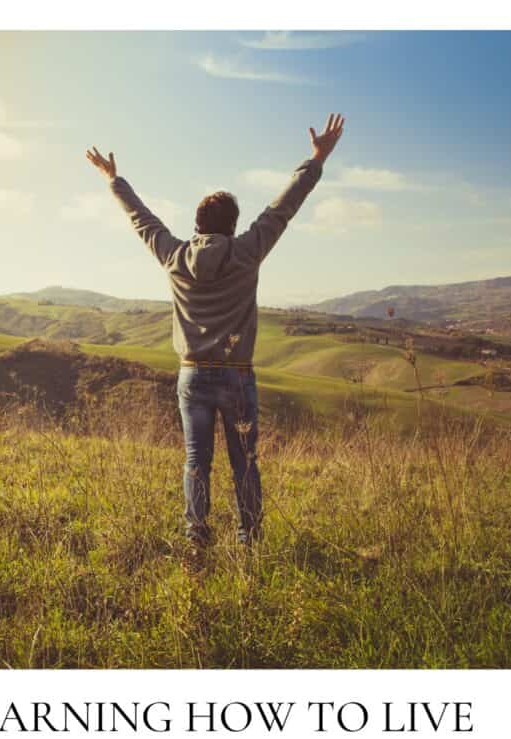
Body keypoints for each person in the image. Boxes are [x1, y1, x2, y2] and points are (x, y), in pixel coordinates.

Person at [86, 113, 345, 564]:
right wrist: (316, 160)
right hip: (237, 376)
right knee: (244, 462)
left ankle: (196, 540)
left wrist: (114, 180)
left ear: (198, 224)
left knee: (195, 461)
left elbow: (141, 220)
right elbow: (283, 208)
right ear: (232, 225)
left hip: (192, 377)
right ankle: (249, 544)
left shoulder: (174, 256)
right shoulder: (246, 252)